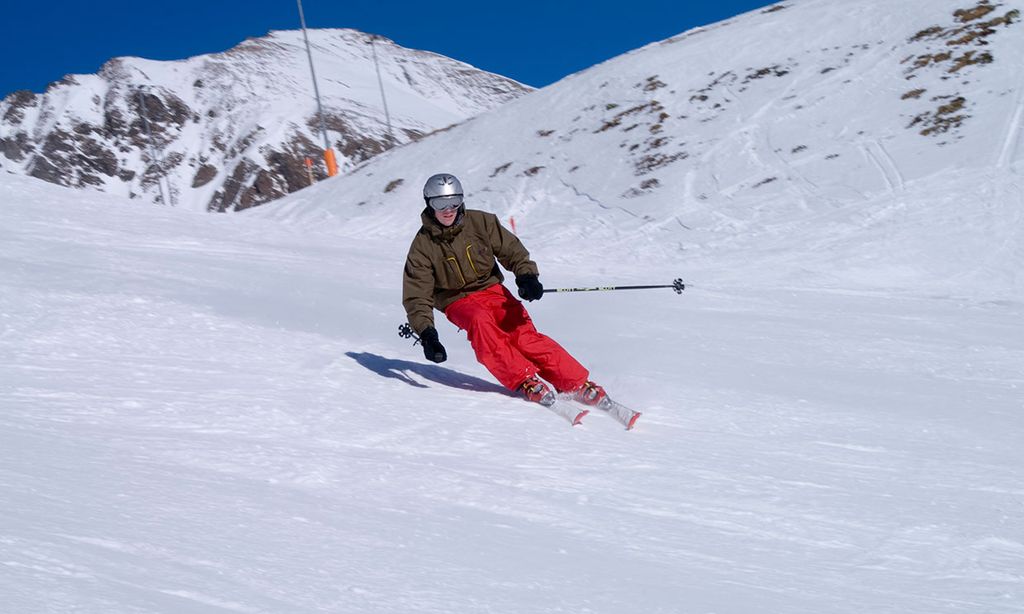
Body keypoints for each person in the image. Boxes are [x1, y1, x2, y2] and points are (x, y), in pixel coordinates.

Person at [402, 173, 606, 408]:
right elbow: (417, 295)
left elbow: (513, 251)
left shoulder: (481, 223)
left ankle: (575, 382)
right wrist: (428, 335)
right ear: (429, 203)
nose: (448, 210)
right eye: (440, 204)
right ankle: (524, 379)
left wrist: (527, 276)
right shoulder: (422, 246)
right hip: (456, 299)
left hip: (492, 290)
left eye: (454, 202)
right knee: (481, 323)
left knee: (523, 335)